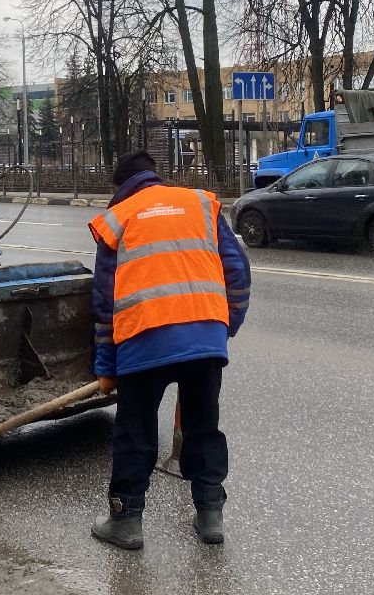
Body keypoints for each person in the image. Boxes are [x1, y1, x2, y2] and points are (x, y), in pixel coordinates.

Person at [87, 150, 251, 550]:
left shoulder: (118, 218)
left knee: (136, 430)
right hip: (205, 336)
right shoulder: (200, 203)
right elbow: (237, 271)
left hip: (144, 339)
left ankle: (125, 521)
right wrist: (225, 325)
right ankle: (210, 516)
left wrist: (106, 367)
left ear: (120, 187)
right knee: (203, 425)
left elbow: (105, 302)